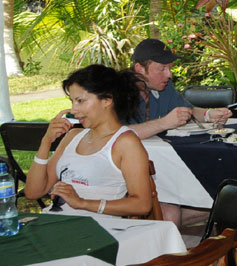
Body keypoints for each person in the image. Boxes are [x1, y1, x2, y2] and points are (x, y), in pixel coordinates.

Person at [24, 64, 152, 217]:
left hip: (98, 229)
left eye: (80, 101)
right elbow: (33, 192)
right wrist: (46, 142)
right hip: (57, 222)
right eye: (72, 101)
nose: (73, 110)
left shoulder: (125, 143)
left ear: (107, 99)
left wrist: (82, 203)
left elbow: (142, 205)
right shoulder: (73, 137)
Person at [124, 38, 231, 139]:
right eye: (162, 69)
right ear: (140, 69)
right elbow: (114, 135)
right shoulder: (116, 93)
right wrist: (163, 123)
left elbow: (187, 112)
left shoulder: (165, 87)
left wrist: (209, 115)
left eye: (170, 68)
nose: (169, 74)